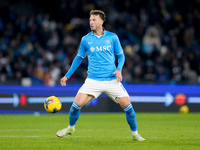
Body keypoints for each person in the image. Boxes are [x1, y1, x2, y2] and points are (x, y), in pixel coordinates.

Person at [56, 10, 145, 141]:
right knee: (75, 106)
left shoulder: (112, 37)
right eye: (90, 20)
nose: (91, 22)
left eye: (94, 20)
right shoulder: (86, 39)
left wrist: (119, 69)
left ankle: (135, 134)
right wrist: (67, 76)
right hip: (93, 81)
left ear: (101, 22)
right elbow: (79, 58)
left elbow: (121, 55)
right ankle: (70, 128)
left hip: (111, 80)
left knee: (129, 109)